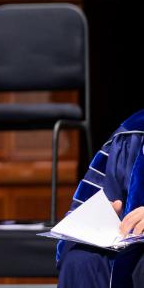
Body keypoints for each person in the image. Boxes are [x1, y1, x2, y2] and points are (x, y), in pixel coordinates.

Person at [56, 110, 144, 286]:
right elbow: (82, 211)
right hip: (128, 249)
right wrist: (98, 218)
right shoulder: (132, 134)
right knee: (81, 261)